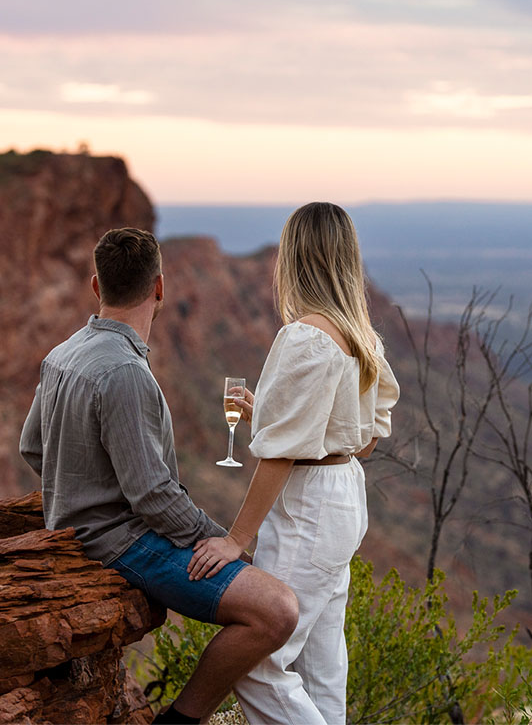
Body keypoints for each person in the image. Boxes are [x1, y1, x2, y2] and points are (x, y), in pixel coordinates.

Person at [20, 227, 298, 725]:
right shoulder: (124, 372)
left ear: (96, 287)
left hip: (79, 528)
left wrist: (80, 486)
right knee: (276, 610)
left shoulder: (60, 355)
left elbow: (31, 446)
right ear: (160, 288)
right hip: (120, 540)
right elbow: (151, 495)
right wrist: (225, 542)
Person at [187, 202, 400, 725]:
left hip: (309, 504)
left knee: (258, 660)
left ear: (295, 257)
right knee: (321, 664)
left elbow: (282, 453)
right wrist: (270, 413)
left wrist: (236, 538)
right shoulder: (362, 338)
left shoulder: (305, 336)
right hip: (344, 494)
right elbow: (362, 442)